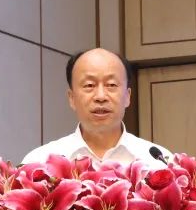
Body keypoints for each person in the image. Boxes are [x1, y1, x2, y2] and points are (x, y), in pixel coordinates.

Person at [21, 48, 172, 168]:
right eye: (89, 85)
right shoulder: (39, 162)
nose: (100, 96)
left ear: (127, 96)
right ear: (72, 98)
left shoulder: (158, 162)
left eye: (111, 85)